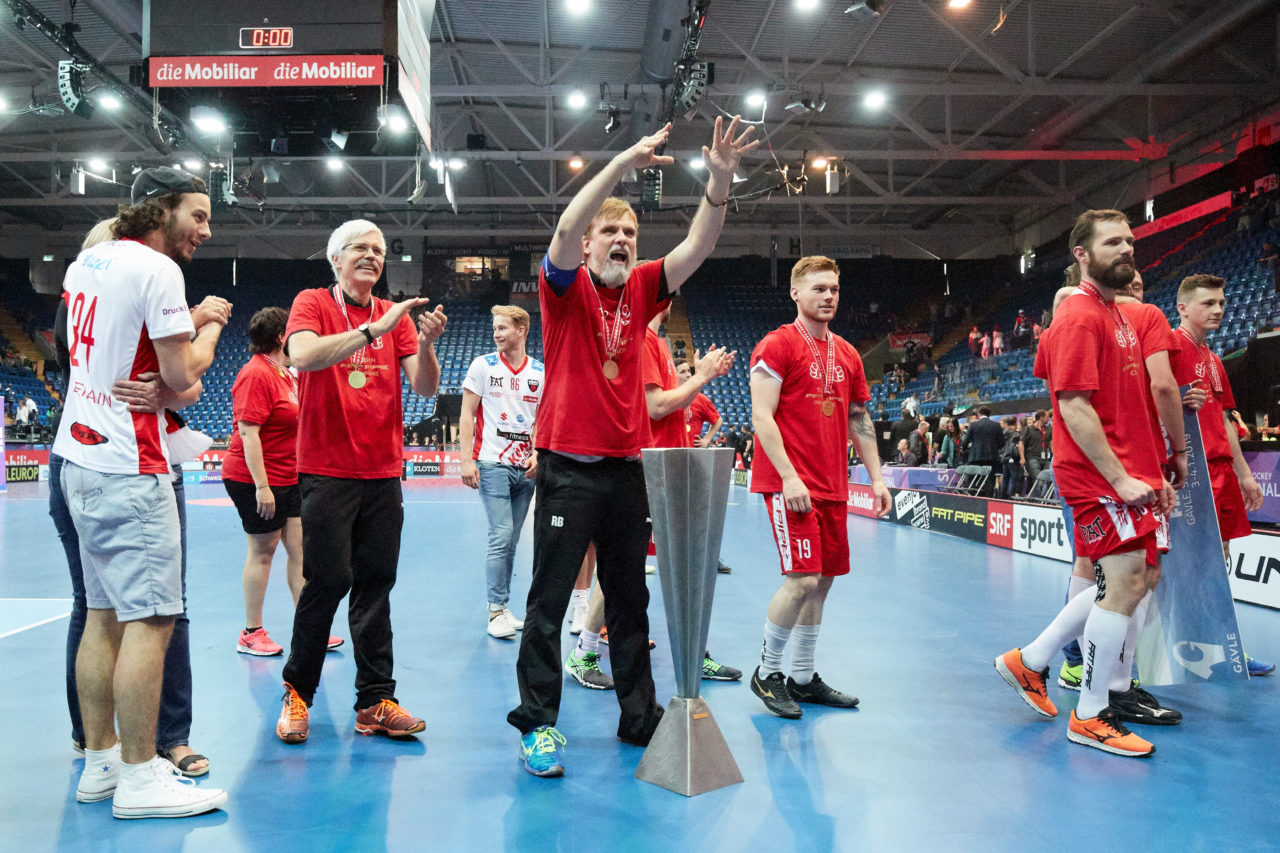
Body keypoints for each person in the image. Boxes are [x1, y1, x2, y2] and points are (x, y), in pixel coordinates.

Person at [507, 116, 758, 777]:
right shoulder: (564, 289)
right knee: (548, 601)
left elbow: (698, 246)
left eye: (630, 233)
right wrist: (620, 165)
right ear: (590, 243)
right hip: (567, 466)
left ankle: (639, 717)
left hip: (625, 471)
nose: (621, 240)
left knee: (629, 601)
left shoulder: (644, 286)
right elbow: (565, 230)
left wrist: (720, 181)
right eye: (610, 232)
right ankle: (537, 725)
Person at [54, 168, 229, 817]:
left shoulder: (87, 263)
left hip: (78, 457)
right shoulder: (157, 271)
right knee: (153, 622)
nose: (205, 229)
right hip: (131, 465)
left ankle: (101, 763)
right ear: (162, 209)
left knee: (101, 616)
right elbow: (183, 376)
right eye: (198, 215)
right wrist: (210, 327)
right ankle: (138, 777)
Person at [997, 209, 1186, 758]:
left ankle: (1032, 660)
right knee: (1121, 584)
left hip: (1129, 470)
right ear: (1081, 254)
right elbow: (1073, 406)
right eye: (1112, 243)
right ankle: (1091, 712)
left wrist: (1153, 470)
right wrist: (1121, 478)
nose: (1126, 249)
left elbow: (1129, 404)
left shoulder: (1117, 313)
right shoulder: (1079, 316)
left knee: (1139, 578)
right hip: (1098, 476)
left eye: (1129, 241)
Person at [275, 220, 447, 745]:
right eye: (361, 248)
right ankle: (297, 691)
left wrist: (425, 343)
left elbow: (425, 387)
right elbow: (303, 355)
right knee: (327, 581)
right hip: (327, 470)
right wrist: (375, 329)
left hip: (382, 472)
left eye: (379, 249)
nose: (372, 255)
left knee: (376, 585)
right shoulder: (312, 303)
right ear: (336, 259)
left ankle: (375, 700)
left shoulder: (394, 316)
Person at [748, 255, 892, 719]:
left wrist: (877, 477)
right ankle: (767, 672)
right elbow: (761, 416)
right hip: (791, 484)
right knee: (802, 579)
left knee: (823, 582)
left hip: (833, 485)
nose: (828, 296)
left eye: (833, 289)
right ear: (796, 292)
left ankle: (803, 676)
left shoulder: (848, 354)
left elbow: (859, 419)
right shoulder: (777, 345)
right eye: (818, 288)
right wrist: (789, 476)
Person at [222, 307, 342, 656]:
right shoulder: (255, 374)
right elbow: (249, 433)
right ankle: (251, 633)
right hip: (255, 479)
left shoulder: (286, 375)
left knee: (300, 551)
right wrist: (262, 486)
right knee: (263, 551)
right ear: (280, 337)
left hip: (289, 477)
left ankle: (309, 629)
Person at [1171, 274, 1272, 676]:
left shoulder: (1214, 359)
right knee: (1181, 566)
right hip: (1190, 473)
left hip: (1222, 471)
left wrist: (1244, 474)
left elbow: (1227, 420)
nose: (1218, 310)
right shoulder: (1170, 348)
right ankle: (1158, 650)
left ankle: (1223, 644)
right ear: (1183, 308)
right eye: (1208, 303)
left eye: (1221, 303)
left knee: (1220, 559)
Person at [459, 305, 543, 640]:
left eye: (503, 328)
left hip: (525, 469)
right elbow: (467, 414)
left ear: (522, 330)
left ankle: (503, 606)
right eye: (494, 328)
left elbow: (541, 420)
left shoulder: (539, 371)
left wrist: (537, 453)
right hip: (492, 462)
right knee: (501, 534)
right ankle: (495, 611)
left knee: (511, 540)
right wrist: (466, 459)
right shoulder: (483, 365)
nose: (496, 334)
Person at [676, 359, 724, 447]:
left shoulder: (700, 399)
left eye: (689, 371)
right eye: (683, 372)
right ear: (673, 375)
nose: (688, 375)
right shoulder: (665, 397)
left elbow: (718, 421)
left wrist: (707, 440)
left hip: (692, 451)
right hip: (670, 451)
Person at [962, 407, 1002, 496]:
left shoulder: (973, 425)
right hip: (991, 457)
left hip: (975, 456)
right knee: (990, 479)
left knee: (973, 479)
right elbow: (1001, 443)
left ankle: (973, 497)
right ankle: (988, 498)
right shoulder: (996, 425)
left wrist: (963, 450)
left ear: (979, 414)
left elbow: (966, 441)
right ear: (989, 414)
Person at [1021, 410, 1049, 495]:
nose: (1049, 418)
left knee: (1050, 479)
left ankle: (1046, 499)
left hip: (1046, 458)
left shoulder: (1048, 429)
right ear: (1041, 417)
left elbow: (1051, 443)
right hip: (1032, 457)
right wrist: (1022, 458)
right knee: (1038, 480)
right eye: (1047, 417)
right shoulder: (1028, 429)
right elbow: (1021, 443)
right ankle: (1038, 500)